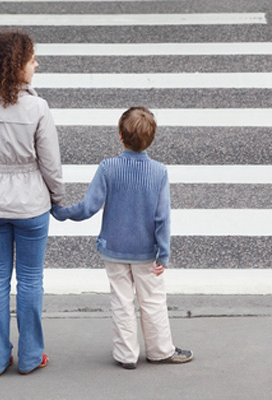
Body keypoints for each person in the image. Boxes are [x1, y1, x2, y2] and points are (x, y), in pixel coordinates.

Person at [51, 107, 193, 369]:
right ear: (151, 139)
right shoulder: (159, 172)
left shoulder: (108, 168)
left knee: (121, 301)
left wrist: (59, 212)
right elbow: (162, 219)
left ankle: (126, 355)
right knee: (152, 300)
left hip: (114, 250)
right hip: (147, 252)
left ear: (120, 136)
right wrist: (164, 253)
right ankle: (160, 350)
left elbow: (88, 208)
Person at [0, 30, 65, 375]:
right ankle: (32, 356)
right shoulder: (37, 107)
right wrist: (58, 198)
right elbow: (51, 163)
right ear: (18, 66)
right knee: (31, 280)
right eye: (32, 59)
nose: (37, 64)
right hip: (32, 203)